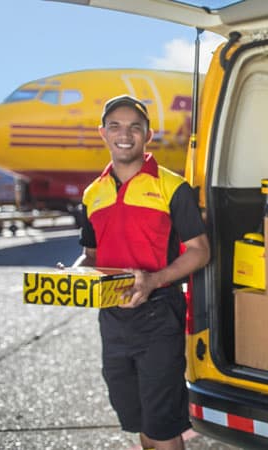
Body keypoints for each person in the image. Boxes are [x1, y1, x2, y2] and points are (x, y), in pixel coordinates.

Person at [73, 94, 210, 450]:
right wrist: (71, 278)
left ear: (148, 136)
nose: (125, 134)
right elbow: (90, 256)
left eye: (135, 127)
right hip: (112, 320)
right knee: (136, 418)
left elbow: (200, 251)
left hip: (158, 316)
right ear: (102, 133)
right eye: (116, 126)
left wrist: (152, 280)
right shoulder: (93, 193)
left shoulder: (172, 187)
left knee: (163, 427)